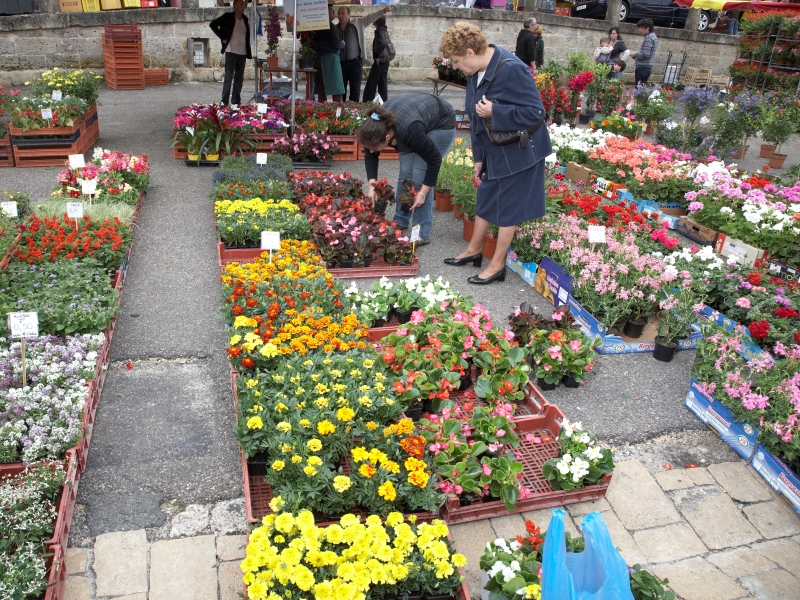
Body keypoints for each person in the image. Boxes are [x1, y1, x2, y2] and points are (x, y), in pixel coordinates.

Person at [439, 22, 552, 286]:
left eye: (456, 61)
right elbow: (474, 118)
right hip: (495, 147)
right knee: (487, 196)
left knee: (508, 208)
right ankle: (473, 250)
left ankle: (497, 265)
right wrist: (479, 156)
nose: (456, 67)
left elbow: (536, 113)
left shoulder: (511, 69)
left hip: (522, 150)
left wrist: (496, 112)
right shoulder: (475, 70)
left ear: (470, 52)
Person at [357, 94, 456, 246]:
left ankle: (421, 232)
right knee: (405, 172)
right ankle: (401, 220)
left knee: (419, 174)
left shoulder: (410, 130)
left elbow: (434, 160)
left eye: (374, 148)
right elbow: (370, 155)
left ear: (388, 137)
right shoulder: (373, 128)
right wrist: (372, 185)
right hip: (412, 118)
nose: (371, 151)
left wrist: (422, 193)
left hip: (440, 122)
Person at [337, 5, 390, 103]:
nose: (340, 16)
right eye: (339, 14)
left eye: (343, 13)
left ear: (349, 14)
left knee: (355, 90)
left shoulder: (358, 23)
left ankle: (354, 113)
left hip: (355, 62)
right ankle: (341, 112)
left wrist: (383, 11)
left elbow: (371, 17)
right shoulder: (335, 28)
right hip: (340, 63)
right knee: (341, 90)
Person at [209, 0, 251, 106]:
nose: (243, 7)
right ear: (235, 6)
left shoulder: (245, 19)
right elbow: (213, 24)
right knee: (228, 77)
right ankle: (224, 101)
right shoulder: (227, 17)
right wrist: (222, 36)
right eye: (241, 4)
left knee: (239, 78)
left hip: (242, 52)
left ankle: (236, 101)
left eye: (243, 4)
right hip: (231, 50)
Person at [315, 4, 345, 102]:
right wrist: (342, 44)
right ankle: (338, 112)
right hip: (331, 59)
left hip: (319, 57)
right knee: (336, 88)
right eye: (332, 10)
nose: (334, 13)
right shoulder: (330, 26)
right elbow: (336, 44)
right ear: (326, 11)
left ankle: (322, 110)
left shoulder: (317, 25)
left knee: (321, 88)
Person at [362, 16, 390, 103]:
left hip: (380, 61)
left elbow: (382, 43)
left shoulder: (380, 31)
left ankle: (368, 102)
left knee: (371, 83)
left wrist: (376, 55)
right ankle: (383, 103)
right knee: (382, 83)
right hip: (385, 60)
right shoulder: (384, 30)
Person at [630, 18, 657, 86]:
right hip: (645, 66)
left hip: (643, 67)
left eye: (641, 28)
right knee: (641, 88)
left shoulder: (649, 38)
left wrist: (635, 54)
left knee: (639, 89)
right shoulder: (652, 36)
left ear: (647, 28)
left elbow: (645, 54)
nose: (640, 30)